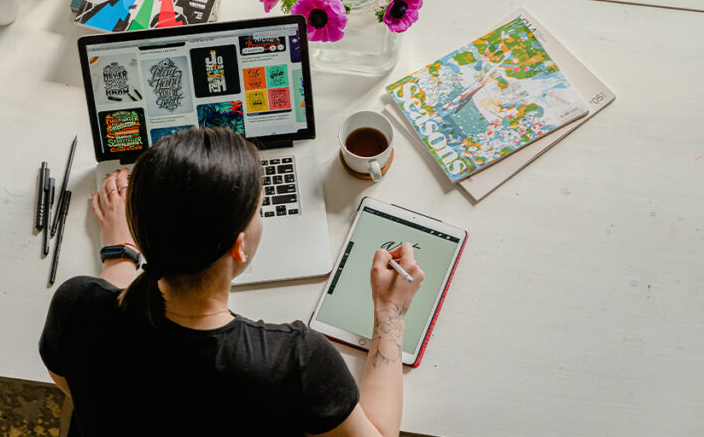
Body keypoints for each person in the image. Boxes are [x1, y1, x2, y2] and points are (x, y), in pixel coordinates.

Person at [39, 127, 425, 436]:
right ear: (238, 247)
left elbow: (72, 381)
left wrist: (120, 251)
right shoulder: (293, 361)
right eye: (258, 209)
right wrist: (390, 312)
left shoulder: (76, 307)